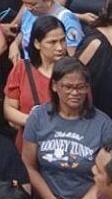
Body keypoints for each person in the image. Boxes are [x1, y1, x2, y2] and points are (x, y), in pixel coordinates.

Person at [23, 58, 112, 199]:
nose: (75, 92)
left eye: (81, 87)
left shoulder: (103, 124)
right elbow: (29, 166)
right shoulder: (38, 118)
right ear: (55, 86)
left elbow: (107, 175)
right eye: (68, 87)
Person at [4, 14, 69, 151]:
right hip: (28, 146)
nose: (59, 47)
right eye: (52, 42)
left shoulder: (73, 73)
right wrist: (34, 122)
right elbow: (9, 110)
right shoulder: (22, 69)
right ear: (37, 43)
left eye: (63, 41)